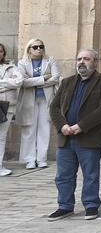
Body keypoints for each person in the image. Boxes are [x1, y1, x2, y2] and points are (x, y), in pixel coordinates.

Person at [47, 49, 101, 221]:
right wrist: (62, 126)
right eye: (79, 59)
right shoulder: (67, 82)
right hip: (66, 137)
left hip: (89, 137)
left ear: (95, 62)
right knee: (63, 175)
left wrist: (80, 126)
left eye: (86, 59)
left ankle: (91, 205)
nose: (81, 62)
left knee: (90, 174)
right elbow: (54, 107)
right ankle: (64, 206)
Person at [17, 38, 60, 169]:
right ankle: (29, 159)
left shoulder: (50, 60)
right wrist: (43, 79)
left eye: (41, 46)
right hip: (29, 100)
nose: (39, 49)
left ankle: (41, 158)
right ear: (29, 49)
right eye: (35, 47)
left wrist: (34, 81)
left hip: (46, 99)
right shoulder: (22, 63)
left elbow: (56, 77)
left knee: (44, 128)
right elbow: (23, 82)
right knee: (29, 129)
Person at [0, 42, 24, 176]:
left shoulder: (11, 66)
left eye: (0, 51)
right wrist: (8, 83)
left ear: (4, 53)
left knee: (1, 136)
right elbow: (12, 83)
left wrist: (1, 83)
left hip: (8, 105)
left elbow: (18, 82)